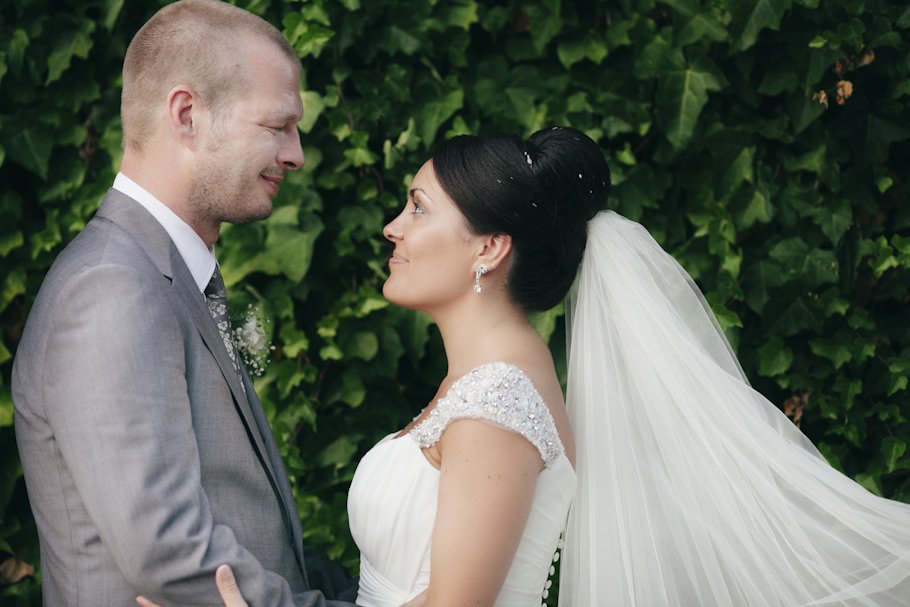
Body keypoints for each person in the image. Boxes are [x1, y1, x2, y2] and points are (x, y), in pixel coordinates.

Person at [203, 126, 910, 606]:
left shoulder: (498, 405)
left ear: (488, 248)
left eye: (418, 207)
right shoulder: (485, 385)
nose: (393, 226)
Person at [12, 1, 353, 605]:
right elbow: (170, 550)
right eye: (277, 127)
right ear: (188, 114)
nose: (296, 154)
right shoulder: (111, 286)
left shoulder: (164, 275)